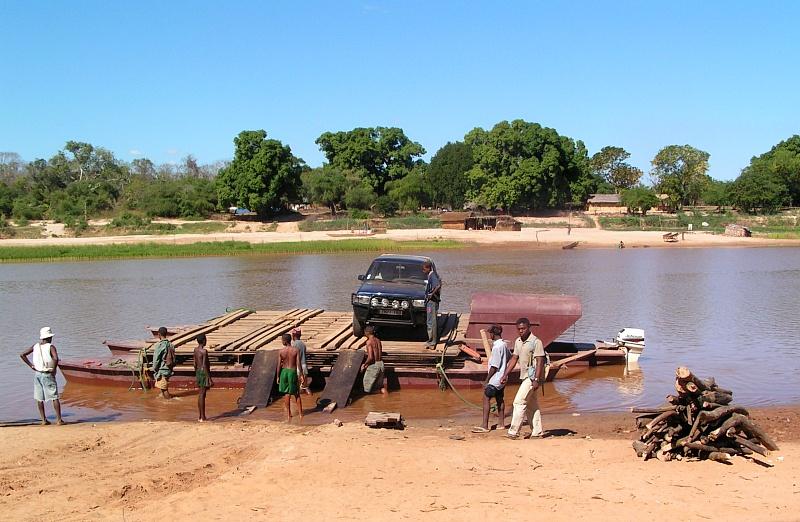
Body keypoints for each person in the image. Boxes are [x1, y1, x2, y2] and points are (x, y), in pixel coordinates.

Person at [500, 317, 546, 440]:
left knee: (519, 402)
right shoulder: (518, 341)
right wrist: (505, 374)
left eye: (523, 328)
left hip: (531, 378)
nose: (521, 331)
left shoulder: (536, 342)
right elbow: (514, 358)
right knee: (532, 405)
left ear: (529, 327)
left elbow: (540, 361)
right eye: (519, 329)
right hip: (524, 376)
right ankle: (537, 432)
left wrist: (536, 379)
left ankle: (513, 432)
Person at [20, 327, 64, 425]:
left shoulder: (35, 346)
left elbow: (22, 354)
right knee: (54, 397)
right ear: (49, 337)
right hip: (48, 374)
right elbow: (56, 358)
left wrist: (31, 365)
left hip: (38, 374)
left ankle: (43, 420)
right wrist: (53, 369)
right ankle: (59, 420)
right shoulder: (51, 346)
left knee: (39, 398)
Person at [472, 324, 509, 433]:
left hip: (495, 378)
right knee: (499, 398)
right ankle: (501, 423)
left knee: (486, 397)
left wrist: (487, 380)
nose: (490, 336)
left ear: (493, 334)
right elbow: (509, 357)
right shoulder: (504, 344)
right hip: (502, 378)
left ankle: (485, 425)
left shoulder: (497, 347)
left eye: (490, 334)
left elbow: (494, 366)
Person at [277, 333, 303, 421]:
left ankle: (288, 415)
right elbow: (298, 363)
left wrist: (277, 376)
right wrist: (301, 374)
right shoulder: (296, 350)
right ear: (290, 340)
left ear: (284, 341)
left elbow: (278, 365)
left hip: (284, 372)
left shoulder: (281, 351)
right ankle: (300, 414)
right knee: (296, 394)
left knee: (286, 393)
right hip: (292, 371)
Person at [421, 260, 442, 349]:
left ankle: (432, 342)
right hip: (431, 302)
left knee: (431, 322)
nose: (423, 271)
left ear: (428, 268)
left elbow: (438, 285)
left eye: (424, 269)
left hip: (432, 302)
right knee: (430, 321)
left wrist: (431, 294)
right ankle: (432, 340)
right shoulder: (431, 275)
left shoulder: (432, 275)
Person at [361, 325, 387, 395]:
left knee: (366, 390)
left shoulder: (369, 342)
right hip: (381, 364)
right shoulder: (378, 340)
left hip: (374, 365)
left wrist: (365, 364)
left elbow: (370, 357)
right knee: (380, 387)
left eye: (364, 332)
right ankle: (386, 399)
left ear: (367, 332)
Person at [151, 327, 175, 399]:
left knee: (164, 389)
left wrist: (154, 369)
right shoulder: (171, 344)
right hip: (169, 369)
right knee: (163, 387)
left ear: (158, 334)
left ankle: (169, 402)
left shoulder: (160, 345)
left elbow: (156, 360)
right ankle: (166, 400)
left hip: (162, 370)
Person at [193, 333, 213, 422]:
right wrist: (209, 378)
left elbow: (194, 364)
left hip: (198, 372)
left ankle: (200, 416)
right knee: (202, 394)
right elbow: (205, 365)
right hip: (203, 373)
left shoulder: (195, 350)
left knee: (201, 394)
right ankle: (203, 417)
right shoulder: (204, 351)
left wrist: (196, 373)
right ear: (204, 341)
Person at [291, 328, 311, 395]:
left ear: (293, 335)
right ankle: (310, 396)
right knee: (305, 386)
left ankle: (297, 399)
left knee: (296, 385)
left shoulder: (294, 344)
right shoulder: (303, 344)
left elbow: (294, 357)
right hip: (304, 365)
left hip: (298, 366)